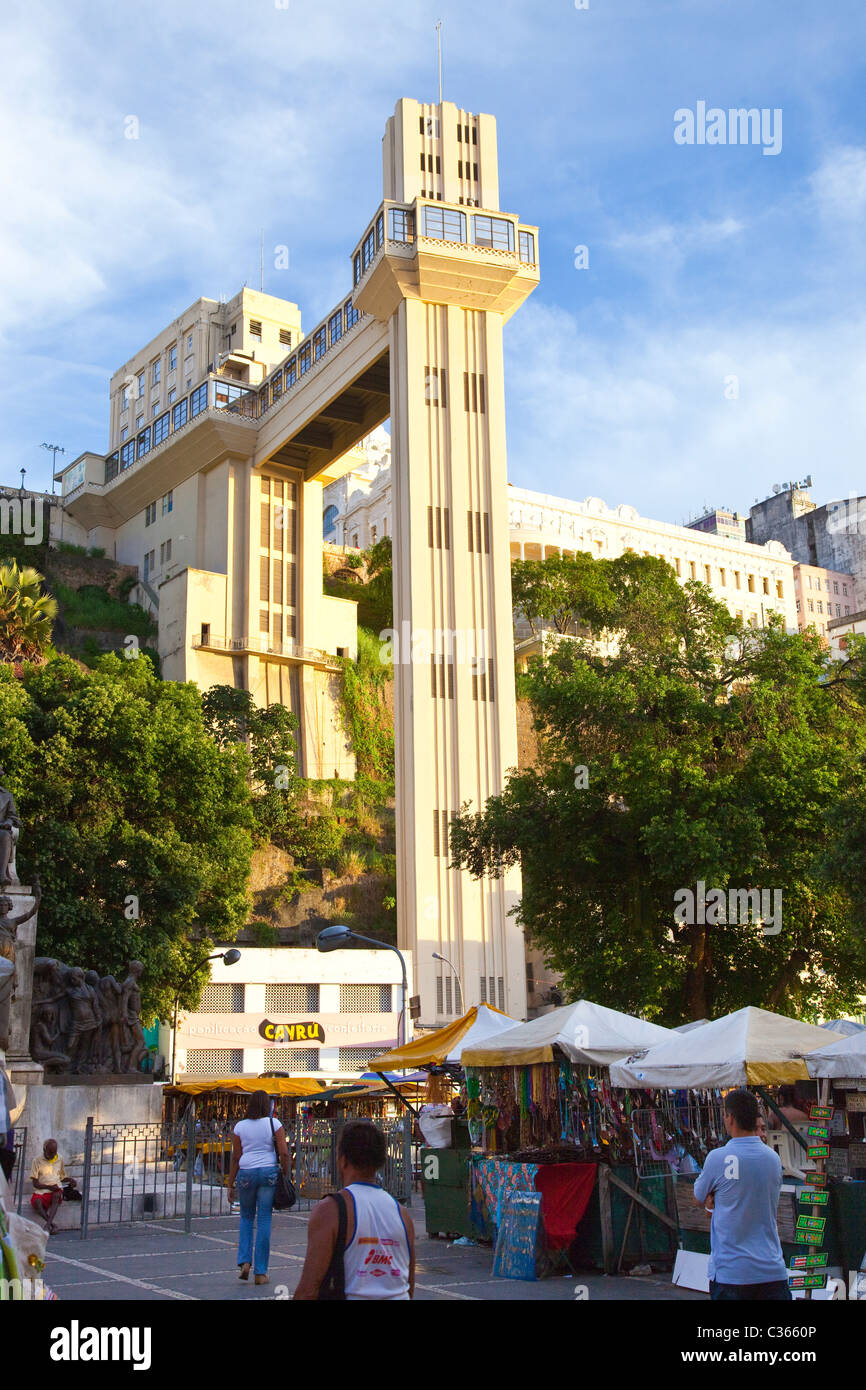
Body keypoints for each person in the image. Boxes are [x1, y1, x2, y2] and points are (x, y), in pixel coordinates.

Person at [293, 1120, 415, 1301]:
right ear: (380, 1162)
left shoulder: (330, 1210)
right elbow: (408, 1286)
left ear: (343, 1161)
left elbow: (308, 1291)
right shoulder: (403, 1215)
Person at [694, 1089, 789, 1301]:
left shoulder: (717, 1158)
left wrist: (714, 1200)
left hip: (731, 1273)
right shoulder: (773, 1159)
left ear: (730, 1118)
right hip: (771, 1270)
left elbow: (699, 1197)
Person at [227, 1090, 290, 1285]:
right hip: (268, 1172)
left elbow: (236, 1157)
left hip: (246, 1172)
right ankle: (261, 1272)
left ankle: (245, 1261)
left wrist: (230, 1184)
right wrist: (286, 1175)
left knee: (246, 1217)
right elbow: (284, 1153)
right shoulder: (274, 1124)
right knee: (264, 1219)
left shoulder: (240, 1127)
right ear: (267, 1105)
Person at [30, 1138, 76, 1235]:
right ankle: (52, 1224)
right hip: (42, 1190)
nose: (52, 1156)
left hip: (55, 1190)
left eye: (54, 1153)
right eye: (50, 1153)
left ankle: (47, 1225)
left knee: (56, 1195)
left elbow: (62, 1177)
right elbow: (35, 1184)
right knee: (37, 1202)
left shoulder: (59, 1158)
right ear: (44, 1150)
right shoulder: (36, 1160)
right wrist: (49, 1187)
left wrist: (70, 1180)